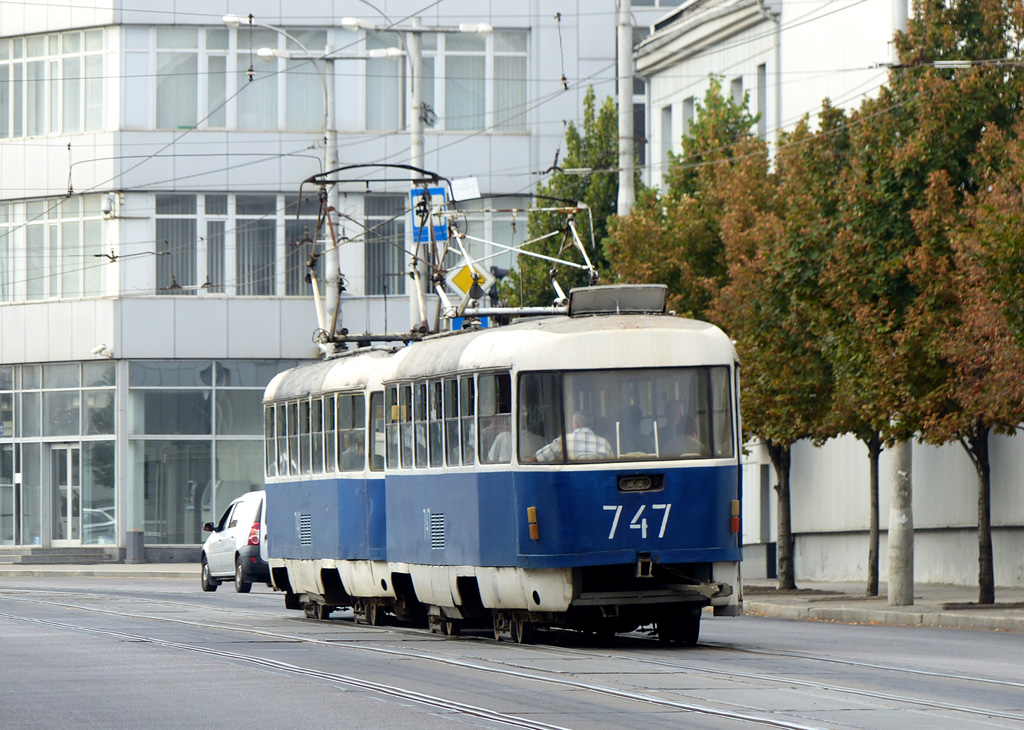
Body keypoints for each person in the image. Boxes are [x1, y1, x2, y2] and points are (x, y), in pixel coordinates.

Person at [535, 410, 613, 462]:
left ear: (575, 424)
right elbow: (612, 464)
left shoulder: (563, 440)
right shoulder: (604, 443)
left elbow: (540, 457)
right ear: (591, 425)